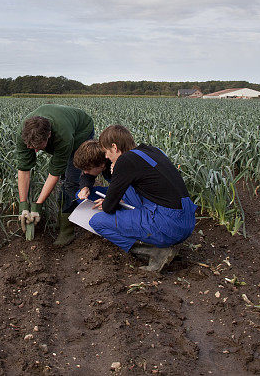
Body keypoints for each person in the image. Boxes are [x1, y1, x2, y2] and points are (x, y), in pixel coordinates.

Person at [84, 125, 197, 272]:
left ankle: (155, 252)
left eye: (106, 152)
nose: (106, 157)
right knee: (124, 196)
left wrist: (110, 201)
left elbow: (108, 208)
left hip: (169, 224)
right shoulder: (150, 150)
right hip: (186, 218)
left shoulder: (125, 161)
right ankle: (148, 230)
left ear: (114, 147)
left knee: (97, 222)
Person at [15, 104, 94, 246]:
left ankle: (67, 230)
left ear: (49, 135)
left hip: (80, 133)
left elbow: (54, 174)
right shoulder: (25, 134)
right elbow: (23, 170)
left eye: (39, 147)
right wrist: (23, 205)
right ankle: (61, 219)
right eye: (31, 147)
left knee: (70, 181)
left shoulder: (63, 137)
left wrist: (38, 206)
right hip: (63, 128)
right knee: (65, 178)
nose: (35, 151)